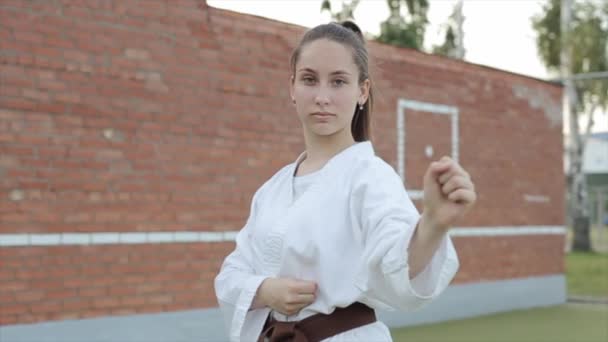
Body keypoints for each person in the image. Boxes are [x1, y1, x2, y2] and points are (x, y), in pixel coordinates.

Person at [214, 21, 476, 342]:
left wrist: (433, 224)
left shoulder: (370, 176)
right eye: (310, 80)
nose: (322, 96)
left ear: (362, 91)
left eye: (338, 82)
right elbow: (231, 275)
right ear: (292, 87)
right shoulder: (272, 190)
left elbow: (394, 258)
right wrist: (265, 290)